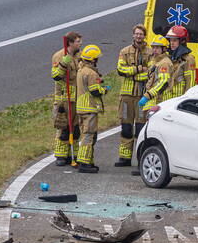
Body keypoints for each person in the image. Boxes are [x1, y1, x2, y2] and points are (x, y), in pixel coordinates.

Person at [114, 24, 151, 167]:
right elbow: (120, 69)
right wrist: (139, 69)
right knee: (126, 128)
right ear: (133, 35)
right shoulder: (124, 51)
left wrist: (134, 75)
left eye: (141, 34)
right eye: (136, 34)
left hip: (142, 98)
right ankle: (124, 158)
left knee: (141, 129)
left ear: (144, 36)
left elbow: (151, 72)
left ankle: (140, 158)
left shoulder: (151, 52)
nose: (138, 36)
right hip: (126, 96)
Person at [51, 31, 82, 167]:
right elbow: (56, 76)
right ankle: (61, 155)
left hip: (78, 98)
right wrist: (64, 63)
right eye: (77, 41)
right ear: (70, 43)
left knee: (75, 128)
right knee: (63, 128)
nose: (80, 44)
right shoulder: (59, 56)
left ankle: (73, 154)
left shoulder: (81, 55)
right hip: (64, 98)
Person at [75, 44, 107, 174]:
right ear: (93, 59)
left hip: (81, 107)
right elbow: (94, 91)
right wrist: (103, 90)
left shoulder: (81, 70)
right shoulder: (91, 73)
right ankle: (84, 163)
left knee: (84, 134)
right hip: (90, 108)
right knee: (89, 136)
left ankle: (87, 161)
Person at [140, 35, 173, 112]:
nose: (154, 50)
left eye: (157, 48)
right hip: (155, 100)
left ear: (164, 49)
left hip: (162, 101)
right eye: (153, 47)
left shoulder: (165, 63)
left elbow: (163, 82)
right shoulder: (157, 61)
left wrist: (147, 95)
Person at [166, 25, 196, 101]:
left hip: (179, 100)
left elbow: (190, 83)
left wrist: (186, 100)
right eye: (170, 40)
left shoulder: (188, 59)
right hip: (168, 99)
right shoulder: (169, 57)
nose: (171, 43)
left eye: (174, 40)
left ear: (182, 41)